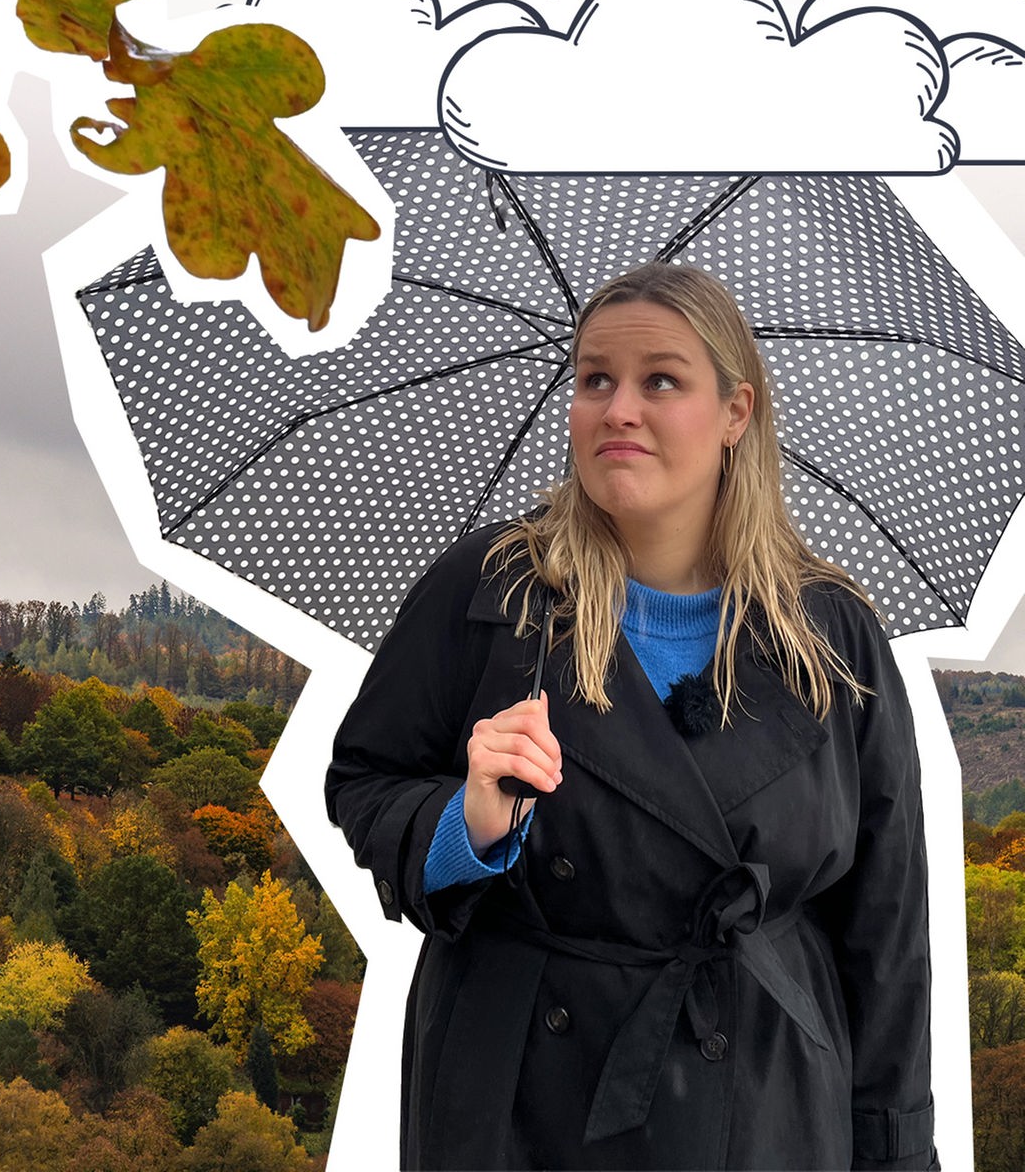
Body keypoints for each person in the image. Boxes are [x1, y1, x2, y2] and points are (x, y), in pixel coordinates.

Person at [325, 263, 937, 1171]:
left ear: (737, 412)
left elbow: (886, 934)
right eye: (594, 379)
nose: (617, 407)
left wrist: (895, 1154)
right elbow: (365, 782)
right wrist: (470, 822)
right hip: (521, 1095)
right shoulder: (493, 593)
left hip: (766, 1098)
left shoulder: (831, 638)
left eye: (661, 380)